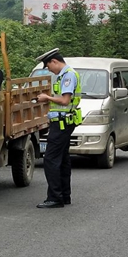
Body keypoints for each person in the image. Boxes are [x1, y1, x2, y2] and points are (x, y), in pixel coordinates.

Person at [34, 48, 82, 208]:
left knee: (50, 159)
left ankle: (55, 198)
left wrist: (46, 98)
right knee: (62, 159)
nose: (49, 70)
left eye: (48, 66)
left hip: (62, 123)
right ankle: (64, 195)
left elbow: (65, 100)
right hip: (65, 122)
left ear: (55, 61)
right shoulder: (67, 74)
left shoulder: (67, 75)